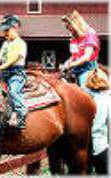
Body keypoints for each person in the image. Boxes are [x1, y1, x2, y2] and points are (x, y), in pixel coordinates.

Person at [61, 10, 109, 174]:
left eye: (69, 26)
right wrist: (67, 63)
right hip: (77, 74)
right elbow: (74, 56)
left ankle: (96, 145)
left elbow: (87, 56)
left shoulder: (90, 34)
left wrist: (71, 65)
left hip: (88, 75)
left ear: (75, 23)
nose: (68, 30)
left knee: (90, 111)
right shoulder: (74, 39)